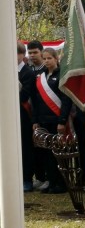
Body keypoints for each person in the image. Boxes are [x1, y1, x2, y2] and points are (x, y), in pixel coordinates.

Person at [30, 48, 72, 194]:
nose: (47, 61)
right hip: (43, 120)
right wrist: (35, 120)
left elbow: (66, 100)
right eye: (45, 58)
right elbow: (35, 100)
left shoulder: (61, 75)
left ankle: (62, 183)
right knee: (47, 153)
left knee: (59, 153)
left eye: (49, 58)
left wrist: (62, 120)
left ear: (56, 59)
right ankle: (51, 181)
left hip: (57, 120)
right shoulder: (40, 77)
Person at [26, 40, 48, 190]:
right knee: (34, 148)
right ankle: (39, 176)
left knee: (45, 147)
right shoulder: (29, 70)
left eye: (35, 52)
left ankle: (48, 177)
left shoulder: (47, 69)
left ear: (41, 51)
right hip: (30, 114)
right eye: (30, 52)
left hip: (45, 114)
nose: (32, 55)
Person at [18, 41, 36, 192]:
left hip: (24, 115)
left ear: (22, 55)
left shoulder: (27, 73)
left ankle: (27, 179)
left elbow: (24, 96)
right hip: (8, 116)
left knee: (25, 148)